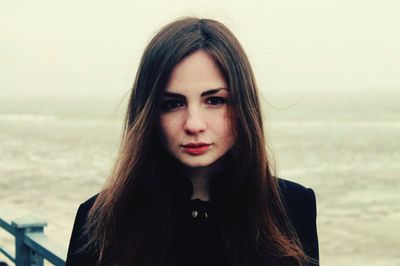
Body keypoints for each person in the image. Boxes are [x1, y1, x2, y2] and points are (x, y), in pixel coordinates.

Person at [66, 17, 319, 266]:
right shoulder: (98, 220)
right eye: (173, 104)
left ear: (244, 105)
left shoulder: (293, 206)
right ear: (148, 114)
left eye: (215, 100)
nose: (194, 124)